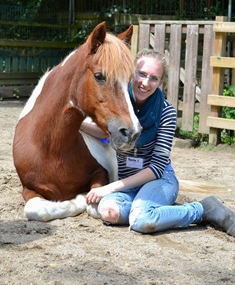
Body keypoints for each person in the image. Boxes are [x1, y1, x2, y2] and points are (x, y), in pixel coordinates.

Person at [81, 49, 235, 236]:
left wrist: (110, 187)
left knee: (142, 221)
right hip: (128, 184)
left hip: (159, 179)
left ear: (160, 83)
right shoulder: (119, 107)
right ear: (132, 73)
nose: (145, 83)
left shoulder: (166, 112)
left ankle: (202, 209)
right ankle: (144, 208)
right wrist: (78, 123)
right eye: (142, 74)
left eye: (154, 78)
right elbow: (108, 132)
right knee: (108, 212)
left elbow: (157, 168)